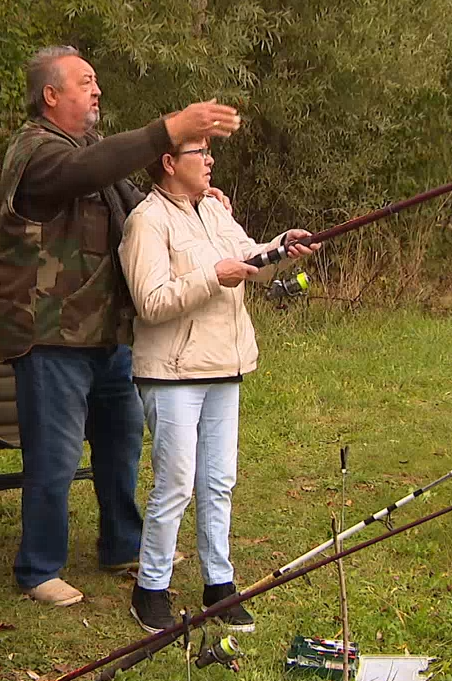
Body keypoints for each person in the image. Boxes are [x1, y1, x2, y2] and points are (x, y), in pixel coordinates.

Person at [0, 44, 243, 606]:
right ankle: (39, 569)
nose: (97, 90)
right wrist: (167, 129)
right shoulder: (37, 152)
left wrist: (195, 194)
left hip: (105, 331)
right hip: (49, 332)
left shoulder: (93, 150)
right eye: (86, 81)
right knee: (54, 457)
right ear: (52, 95)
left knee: (122, 441)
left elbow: (145, 205)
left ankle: (122, 543)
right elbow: (88, 173)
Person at [118, 136, 320, 633]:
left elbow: (246, 257)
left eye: (210, 153)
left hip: (225, 366)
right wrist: (213, 276)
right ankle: (151, 589)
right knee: (175, 484)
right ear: (169, 163)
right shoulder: (146, 222)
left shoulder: (214, 209)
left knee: (218, 482)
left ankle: (219, 584)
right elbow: (152, 301)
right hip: (173, 374)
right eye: (200, 153)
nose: (210, 161)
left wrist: (282, 247)